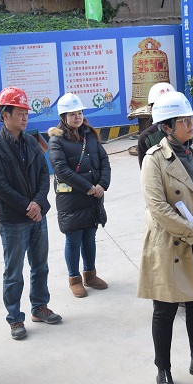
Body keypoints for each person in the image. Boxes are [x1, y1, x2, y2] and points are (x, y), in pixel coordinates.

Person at [139, 91, 193, 384]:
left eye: (190, 119)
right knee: (165, 309)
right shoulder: (154, 160)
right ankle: (163, 370)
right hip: (170, 242)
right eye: (184, 121)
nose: (191, 124)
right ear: (166, 126)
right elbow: (157, 207)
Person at [0, 86, 62, 340]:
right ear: (5, 116)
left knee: (40, 265)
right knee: (14, 272)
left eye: (26, 113)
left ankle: (39, 307)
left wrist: (38, 203)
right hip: (14, 219)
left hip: (37, 216)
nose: (25, 118)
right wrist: (27, 207)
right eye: (19, 113)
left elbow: (43, 174)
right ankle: (15, 318)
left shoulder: (30, 141)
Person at [47, 93, 111, 298]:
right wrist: (88, 187)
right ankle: (74, 279)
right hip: (72, 199)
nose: (77, 117)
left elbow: (104, 160)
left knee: (90, 238)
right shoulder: (56, 140)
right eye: (72, 114)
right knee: (74, 239)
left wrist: (102, 185)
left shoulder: (89, 135)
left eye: (80, 113)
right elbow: (61, 170)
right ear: (63, 116)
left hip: (93, 196)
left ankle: (90, 275)